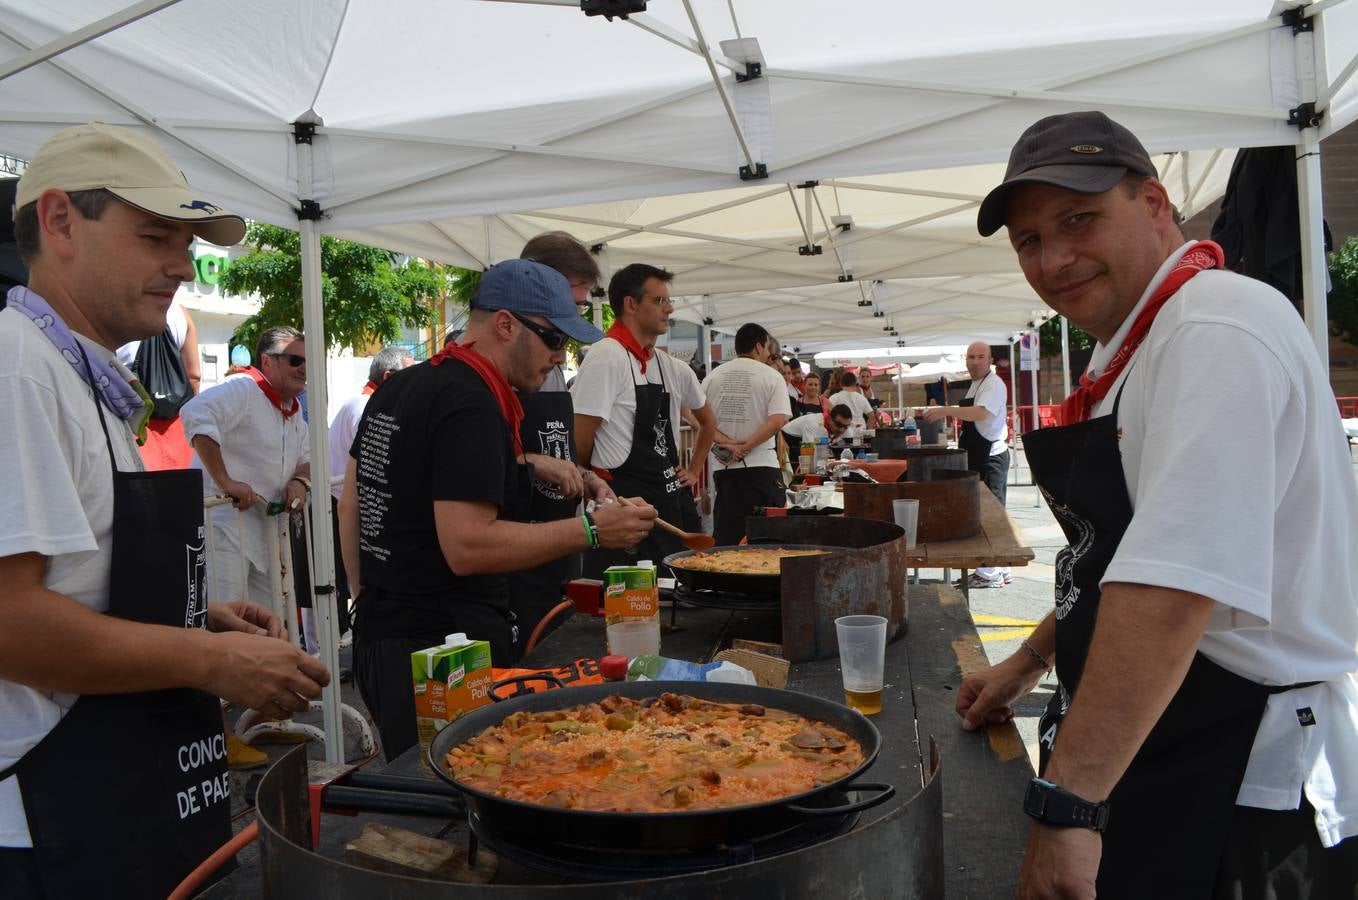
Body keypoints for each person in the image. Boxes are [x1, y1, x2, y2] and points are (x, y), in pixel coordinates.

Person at [958, 110, 1358, 898]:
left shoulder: (1214, 326)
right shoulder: (1135, 340)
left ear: (1154, 204)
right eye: (1030, 241)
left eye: (1079, 220)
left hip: (1239, 774)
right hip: (1160, 738)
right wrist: (1028, 660)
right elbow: (1124, 547)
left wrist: (1068, 803)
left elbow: (1173, 588)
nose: (1055, 257)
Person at [0, 121, 328, 898]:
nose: (182, 265)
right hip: (45, 825)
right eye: (155, 237)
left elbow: (69, 580)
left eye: (184, 243)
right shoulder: (19, 367)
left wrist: (193, 617)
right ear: (58, 221)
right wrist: (208, 661)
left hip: (119, 793)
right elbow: (8, 622)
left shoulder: (79, 375)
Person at [339, 259, 656, 760]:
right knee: (468, 798)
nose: (560, 357)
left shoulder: (404, 384)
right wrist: (593, 530)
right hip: (447, 650)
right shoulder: (471, 401)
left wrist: (365, 600)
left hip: (386, 636)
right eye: (554, 340)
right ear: (506, 324)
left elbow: (354, 499)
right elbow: (469, 545)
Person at [572, 263, 715, 574]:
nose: (670, 308)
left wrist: (693, 470)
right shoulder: (607, 356)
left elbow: (708, 422)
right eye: (660, 301)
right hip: (624, 511)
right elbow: (578, 445)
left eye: (668, 300)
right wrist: (596, 485)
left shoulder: (671, 366)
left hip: (670, 502)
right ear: (631, 304)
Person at [512, 232, 614, 633]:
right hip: (511, 567)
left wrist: (585, 476)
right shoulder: (473, 384)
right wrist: (534, 463)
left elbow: (558, 447)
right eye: (570, 306)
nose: (570, 329)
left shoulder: (549, 368)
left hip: (558, 555)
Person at [182, 326, 312, 609]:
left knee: (271, 619)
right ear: (267, 361)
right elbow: (195, 414)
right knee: (230, 624)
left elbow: (308, 456)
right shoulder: (243, 387)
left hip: (264, 534)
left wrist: (300, 482)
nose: (304, 368)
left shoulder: (294, 407)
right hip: (224, 530)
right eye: (295, 360)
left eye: (308, 360)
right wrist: (225, 482)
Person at [325, 345, 415, 642]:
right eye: (409, 375)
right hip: (344, 506)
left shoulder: (362, 402)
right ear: (388, 377)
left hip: (344, 504)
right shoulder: (367, 406)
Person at [924, 340, 1010, 587]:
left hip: (990, 456)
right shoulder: (977, 384)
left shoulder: (994, 384)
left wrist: (945, 410)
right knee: (985, 511)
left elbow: (981, 413)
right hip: (978, 453)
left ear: (990, 360)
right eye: (971, 357)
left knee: (992, 514)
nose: (975, 361)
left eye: (980, 357)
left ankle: (990, 573)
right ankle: (1000, 568)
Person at [702, 323, 792, 546]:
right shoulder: (772, 376)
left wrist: (726, 442)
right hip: (762, 466)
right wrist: (746, 447)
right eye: (768, 349)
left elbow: (698, 419)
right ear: (759, 347)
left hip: (724, 468)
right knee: (770, 537)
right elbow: (777, 420)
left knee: (728, 539)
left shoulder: (713, 377)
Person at [116, 297, 200, 469]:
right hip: (175, 426)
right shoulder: (181, 312)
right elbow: (194, 376)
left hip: (133, 417)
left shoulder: (120, 306)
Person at [782, 403, 854, 468]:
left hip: (803, 443)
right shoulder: (814, 424)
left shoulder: (844, 428)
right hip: (786, 440)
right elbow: (808, 453)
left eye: (846, 426)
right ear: (829, 418)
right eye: (838, 425)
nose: (841, 430)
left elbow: (847, 447)